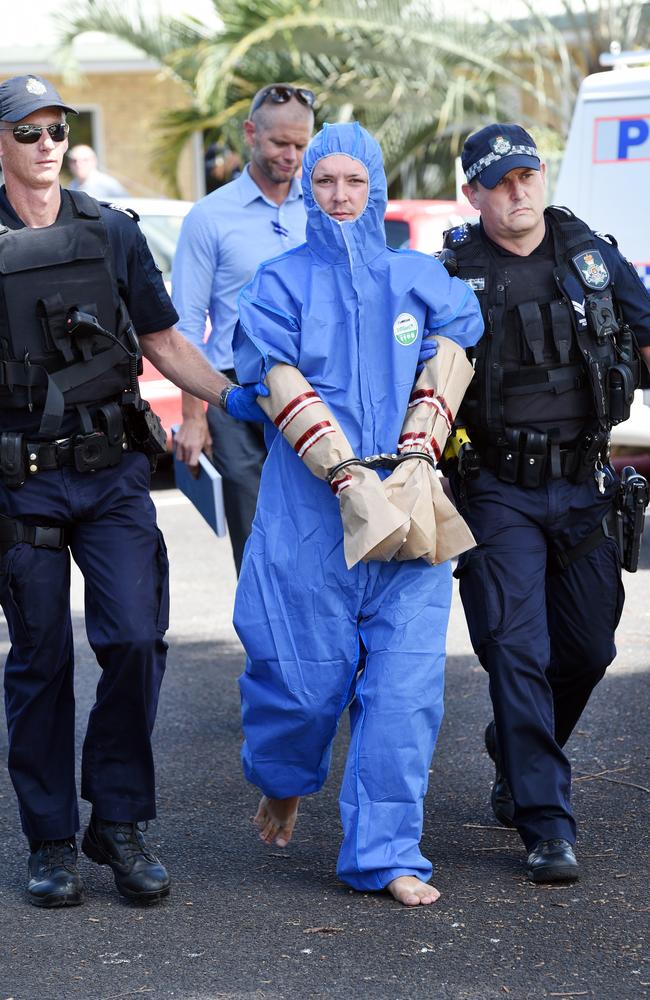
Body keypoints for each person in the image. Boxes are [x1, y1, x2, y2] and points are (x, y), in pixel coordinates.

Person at [0, 73, 266, 909]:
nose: (48, 146)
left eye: (57, 130)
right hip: (22, 484)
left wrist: (237, 398)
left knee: (137, 642)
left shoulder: (111, 231)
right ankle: (49, 841)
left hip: (113, 473)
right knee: (40, 661)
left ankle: (116, 822)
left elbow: (161, 338)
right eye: (28, 132)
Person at [232, 122, 483, 906]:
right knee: (305, 684)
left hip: (410, 505)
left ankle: (387, 855)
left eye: (354, 182)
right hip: (311, 513)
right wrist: (342, 474)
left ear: (375, 186)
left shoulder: (419, 275)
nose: (339, 197)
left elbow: (456, 342)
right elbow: (268, 375)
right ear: (307, 186)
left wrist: (417, 453)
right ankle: (283, 779)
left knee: (406, 695)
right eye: (325, 181)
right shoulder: (278, 281)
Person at [442, 123, 650, 884]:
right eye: (498, 181)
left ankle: (517, 746)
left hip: (585, 483)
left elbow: (646, 330)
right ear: (474, 192)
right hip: (497, 486)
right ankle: (546, 822)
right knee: (516, 649)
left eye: (526, 174)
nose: (517, 190)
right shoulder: (454, 268)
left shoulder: (588, 252)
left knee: (591, 648)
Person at [172, 83, 315, 574]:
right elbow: (186, 324)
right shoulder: (210, 216)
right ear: (251, 134)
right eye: (280, 144)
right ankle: (267, 650)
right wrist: (193, 418)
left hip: (312, 388)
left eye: (301, 146)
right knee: (256, 539)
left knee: (319, 533)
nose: (291, 156)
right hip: (234, 395)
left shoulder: (323, 210)